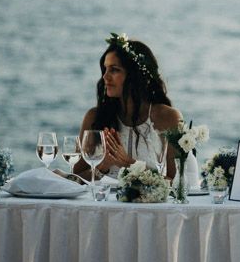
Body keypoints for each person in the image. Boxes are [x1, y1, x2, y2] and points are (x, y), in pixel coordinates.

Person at [74, 33, 182, 181]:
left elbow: (177, 182)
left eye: (114, 70)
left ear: (135, 75)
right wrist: (102, 167)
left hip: (151, 204)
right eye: (105, 69)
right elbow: (75, 178)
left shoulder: (168, 118)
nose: (105, 77)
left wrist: (128, 163)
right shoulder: (94, 117)